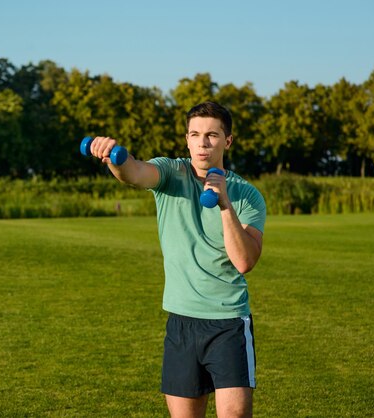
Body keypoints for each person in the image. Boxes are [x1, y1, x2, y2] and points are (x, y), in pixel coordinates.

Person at [88, 101, 266, 418]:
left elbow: (244, 262)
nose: (202, 142)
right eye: (195, 134)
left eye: (212, 135)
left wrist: (225, 203)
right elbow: (133, 172)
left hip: (228, 323)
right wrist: (112, 157)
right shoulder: (171, 173)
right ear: (186, 139)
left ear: (228, 141)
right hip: (181, 323)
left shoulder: (247, 195)